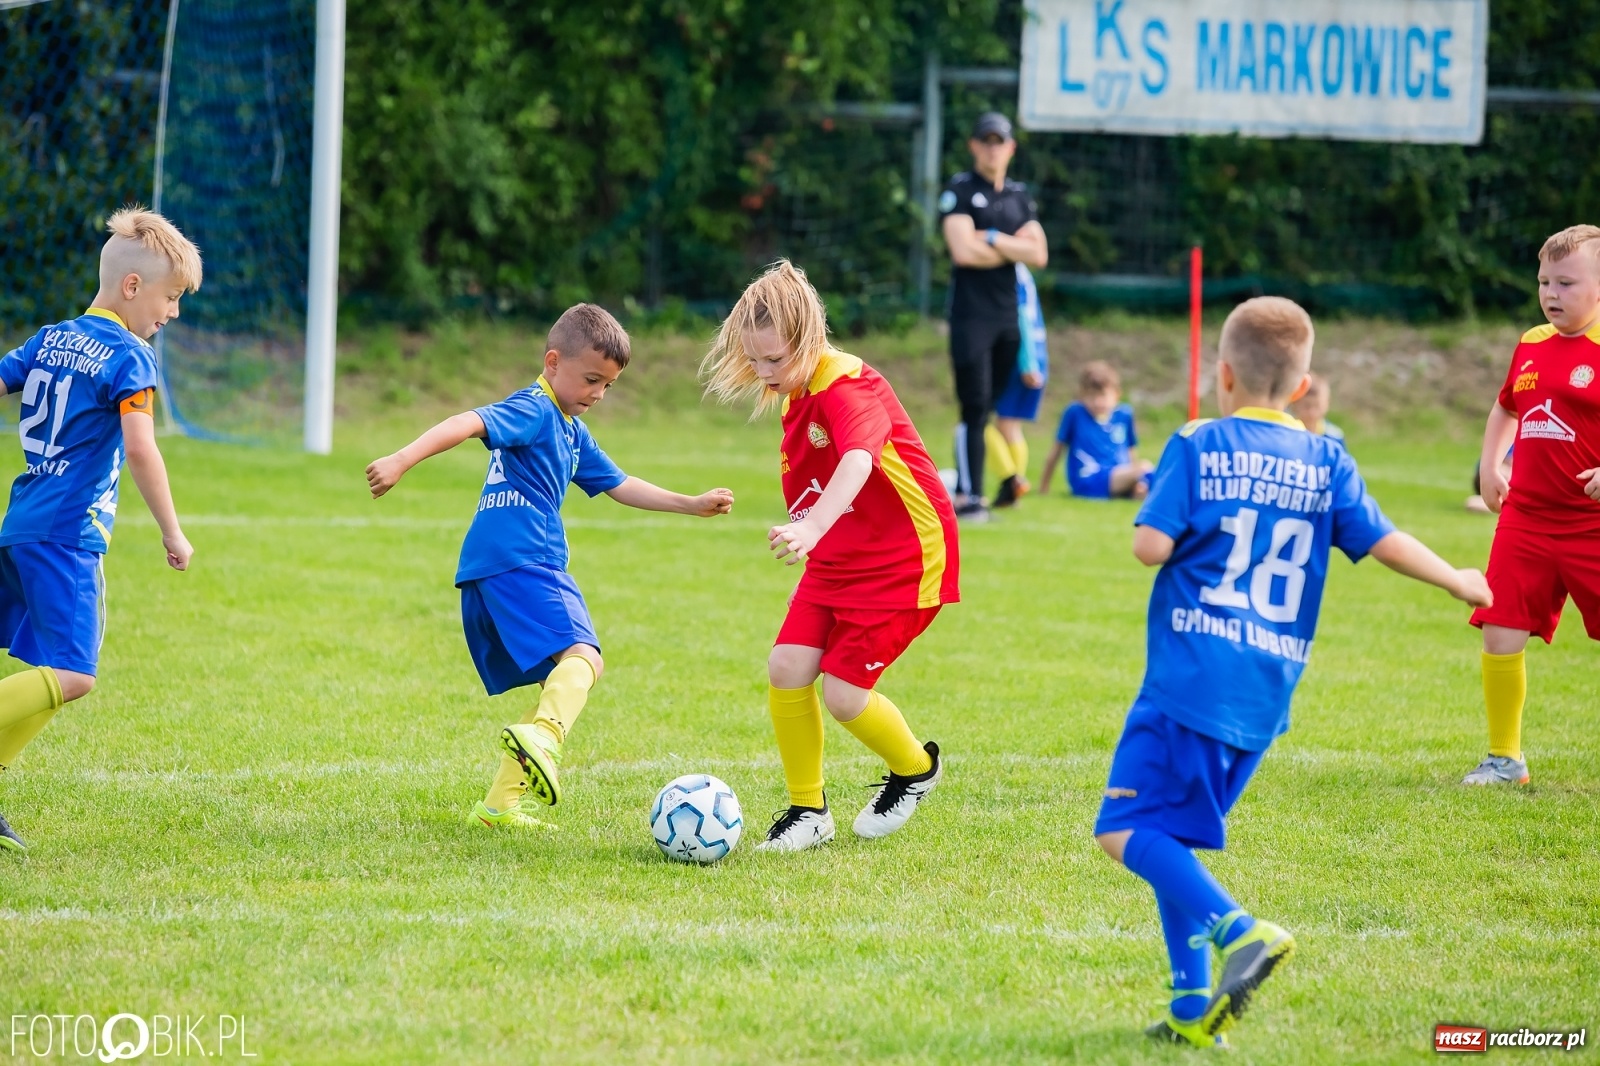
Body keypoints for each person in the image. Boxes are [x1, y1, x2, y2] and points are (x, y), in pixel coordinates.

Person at [1093, 296, 1490, 1048]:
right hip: (1265, 692)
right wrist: (1458, 579)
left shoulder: (1198, 441)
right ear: (1303, 388)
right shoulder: (1326, 457)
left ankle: (1240, 933)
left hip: (1191, 679)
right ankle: (1190, 1006)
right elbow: (1383, 541)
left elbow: (1149, 545)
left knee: (1122, 828)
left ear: (1224, 374)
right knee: (1169, 836)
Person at [366, 304, 734, 830]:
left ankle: (498, 807)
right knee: (586, 657)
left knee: (560, 681)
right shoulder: (536, 408)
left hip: (489, 565)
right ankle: (544, 739)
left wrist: (690, 503)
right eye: (590, 379)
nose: (597, 395)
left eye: (607, 386)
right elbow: (468, 421)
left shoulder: (570, 429)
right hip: (526, 557)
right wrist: (401, 459)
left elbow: (618, 484)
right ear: (553, 361)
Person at [702, 260, 958, 851]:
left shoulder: (848, 387)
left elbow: (858, 462)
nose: (765, 374)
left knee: (844, 694)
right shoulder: (798, 390)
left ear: (811, 341)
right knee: (786, 668)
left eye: (776, 361)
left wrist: (812, 526)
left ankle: (916, 769)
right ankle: (808, 810)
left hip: (904, 558)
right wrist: (817, 532)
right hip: (838, 553)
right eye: (756, 360)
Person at [0, 207, 199, 853]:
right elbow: (141, 449)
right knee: (75, 675)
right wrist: (172, 530)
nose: (171, 314)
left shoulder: (50, 338)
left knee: (50, 677)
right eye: (170, 298)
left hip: (21, 524)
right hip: (65, 536)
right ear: (134, 288)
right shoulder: (129, 357)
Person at [1463, 224, 1600, 786]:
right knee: (1500, 628)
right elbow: (1506, 408)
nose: (1551, 292)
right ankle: (1504, 759)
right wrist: (1492, 463)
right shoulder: (1532, 342)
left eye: (1566, 282)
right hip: (1527, 519)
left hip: (1592, 525)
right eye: (1545, 281)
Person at [939, 111, 1049, 521]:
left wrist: (990, 238)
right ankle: (970, 498)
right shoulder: (961, 190)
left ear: (1010, 148)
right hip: (971, 317)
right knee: (974, 407)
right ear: (973, 146)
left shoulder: (1019, 196)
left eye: (998, 140)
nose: (992, 148)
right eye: (984, 140)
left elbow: (1038, 253)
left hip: (1008, 317)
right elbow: (963, 251)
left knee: (991, 409)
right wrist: (1009, 247)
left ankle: (973, 484)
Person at [1039, 361, 1153, 499]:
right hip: (1089, 479)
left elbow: (1130, 450)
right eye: (1092, 396)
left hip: (1119, 476)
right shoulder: (1075, 413)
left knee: (1143, 486)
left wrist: (1136, 479)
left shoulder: (1124, 415)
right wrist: (1044, 486)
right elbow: (1057, 450)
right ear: (1082, 395)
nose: (1098, 402)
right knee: (1145, 468)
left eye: (1103, 396)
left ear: (1116, 395)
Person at [987, 263, 1049, 508]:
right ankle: (1015, 487)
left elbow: (1021, 315)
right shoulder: (1023, 271)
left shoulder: (1009, 271)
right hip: (1037, 354)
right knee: (1011, 427)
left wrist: (1027, 363)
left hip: (1021, 357)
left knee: (981, 424)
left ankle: (1011, 478)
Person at [1288, 373, 1345, 442]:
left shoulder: (1334, 436)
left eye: (1317, 406)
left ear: (1327, 403)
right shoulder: (1287, 431)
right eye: (1306, 406)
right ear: (1295, 403)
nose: (1312, 413)